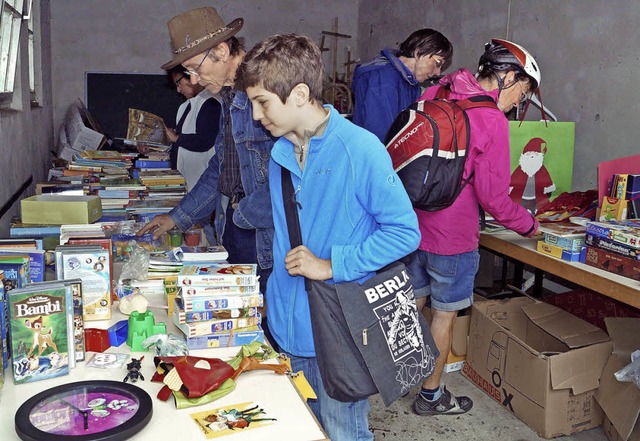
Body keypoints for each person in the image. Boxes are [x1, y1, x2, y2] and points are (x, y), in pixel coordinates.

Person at [237, 33, 420, 441]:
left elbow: (405, 233)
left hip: (338, 329)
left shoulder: (360, 149)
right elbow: (286, 235)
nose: (254, 115)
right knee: (303, 427)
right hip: (287, 327)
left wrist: (333, 264)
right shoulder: (280, 153)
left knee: (343, 432)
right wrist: (271, 300)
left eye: (262, 101)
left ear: (299, 94)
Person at [405, 38, 541, 416]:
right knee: (444, 315)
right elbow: (494, 199)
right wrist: (530, 226)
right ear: (508, 76)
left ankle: (399, 378)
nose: (518, 103)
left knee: (412, 304)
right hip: (453, 235)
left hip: (410, 223)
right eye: (521, 92)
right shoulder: (492, 120)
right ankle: (430, 395)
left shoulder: (437, 90)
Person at [137, 7, 276, 339]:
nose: (195, 80)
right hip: (233, 226)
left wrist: (244, 211)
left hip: (264, 235)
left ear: (223, 51)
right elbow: (221, 169)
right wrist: (177, 218)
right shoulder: (227, 100)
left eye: (196, 69)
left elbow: (291, 177)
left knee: (267, 331)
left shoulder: (264, 94)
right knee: (236, 328)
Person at [351, 28, 453, 142]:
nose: (437, 72)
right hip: (377, 156)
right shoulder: (382, 79)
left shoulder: (410, 82)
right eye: (437, 63)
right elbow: (381, 136)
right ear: (419, 52)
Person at [165, 65, 221, 192]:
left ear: (192, 76)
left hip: (202, 181)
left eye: (179, 83)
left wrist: (176, 137)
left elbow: (205, 141)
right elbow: (179, 142)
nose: (178, 90)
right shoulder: (185, 106)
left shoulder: (211, 103)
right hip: (184, 177)